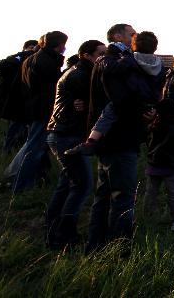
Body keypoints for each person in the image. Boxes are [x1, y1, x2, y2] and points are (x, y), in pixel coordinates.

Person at [85, 23, 147, 252]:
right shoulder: (113, 62)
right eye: (131, 33)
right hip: (120, 137)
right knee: (122, 196)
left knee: (104, 194)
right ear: (117, 36)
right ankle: (119, 249)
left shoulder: (112, 62)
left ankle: (96, 244)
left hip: (111, 138)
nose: (135, 36)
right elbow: (121, 101)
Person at [44, 39, 105, 248]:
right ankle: (64, 235)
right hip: (67, 134)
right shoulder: (83, 75)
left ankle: (52, 229)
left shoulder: (76, 71)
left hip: (61, 132)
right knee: (82, 185)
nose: (103, 58)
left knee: (67, 183)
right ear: (87, 55)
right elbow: (97, 101)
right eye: (100, 53)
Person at [67, 31, 165, 156]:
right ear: (155, 47)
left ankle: (91, 141)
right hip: (149, 101)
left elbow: (113, 68)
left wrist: (105, 58)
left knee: (108, 112)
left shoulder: (130, 60)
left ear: (134, 45)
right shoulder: (159, 64)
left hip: (132, 99)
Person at [8, 31, 67, 193]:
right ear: (59, 44)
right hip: (43, 109)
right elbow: (52, 88)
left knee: (36, 145)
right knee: (35, 147)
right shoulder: (47, 61)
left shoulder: (31, 59)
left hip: (33, 107)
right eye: (63, 44)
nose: (64, 48)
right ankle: (21, 185)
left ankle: (39, 178)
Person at [144, 100, 174, 231]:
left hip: (154, 165)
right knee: (173, 194)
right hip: (171, 167)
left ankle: (149, 218)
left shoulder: (153, 126)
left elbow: (147, 141)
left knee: (151, 193)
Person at [0, 40, 39, 152]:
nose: (32, 50)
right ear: (25, 48)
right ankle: (8, 149)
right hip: (15, 99)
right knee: (16, 125)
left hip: (21, 99)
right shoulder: (15, 60)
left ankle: (13, 148)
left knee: (19, 126)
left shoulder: (26, 60)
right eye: (30, 47)